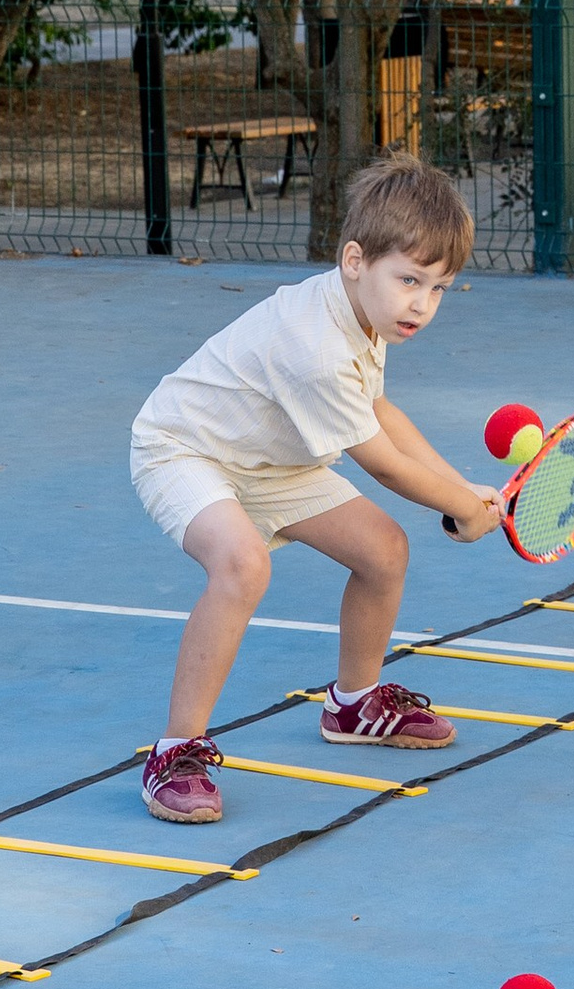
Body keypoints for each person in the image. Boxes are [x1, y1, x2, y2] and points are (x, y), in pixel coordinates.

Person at [130, 154, 503, 823]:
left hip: (272, 457)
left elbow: (381, 413)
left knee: (383, 549)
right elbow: (382, 464)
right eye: (410, 280)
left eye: (439, 288)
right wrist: (460, 508)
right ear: (356, 259)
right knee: (243, 566)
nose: (421, 302)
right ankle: (175, 752)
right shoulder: (318, 349)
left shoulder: (365, 312)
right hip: (185, 448)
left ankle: (354, 704)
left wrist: (460, 485)